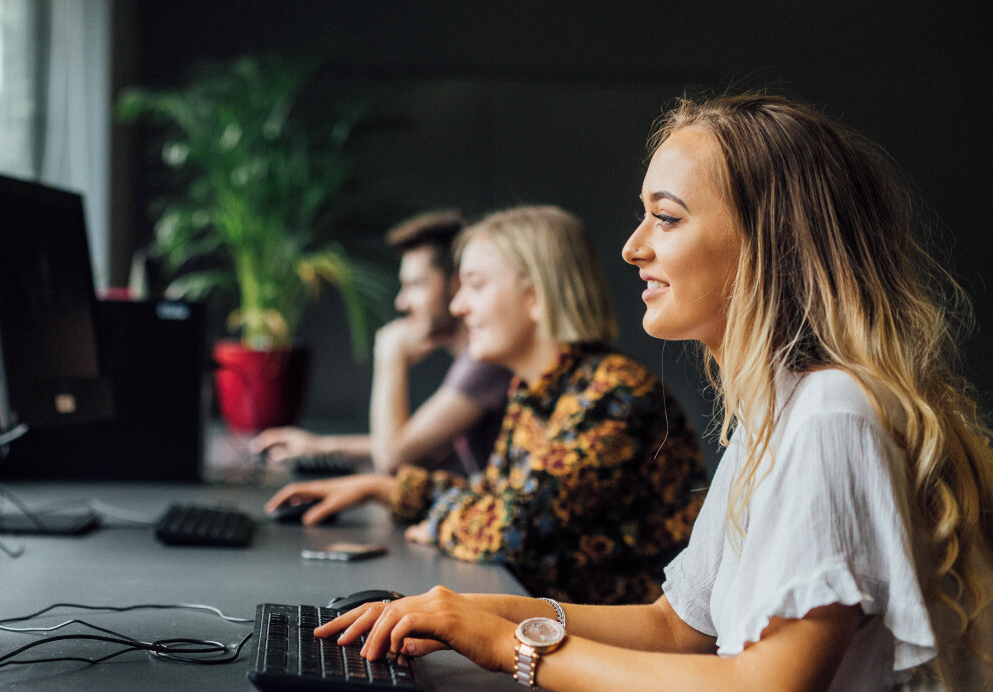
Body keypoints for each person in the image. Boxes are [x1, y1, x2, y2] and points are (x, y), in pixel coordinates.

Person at [316, 94, 993, 692]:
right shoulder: (775, 414)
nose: (633, 246)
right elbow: (678, 627)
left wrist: (516, 648)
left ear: (773, 242)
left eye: (666, 217)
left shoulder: (834, 412)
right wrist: (470, 613)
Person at [267, 205, 708, 606]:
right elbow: (495, 498)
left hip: (625, 655)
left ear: (535, 297)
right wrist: (382, 489)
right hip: (557, 628)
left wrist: (438, 522)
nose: (459, 307)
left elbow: (514, 530)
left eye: (474, 286)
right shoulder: (533, 389)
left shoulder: (615, 394)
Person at [252, 210, 512, 475]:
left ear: (456, 285)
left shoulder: (486, 362)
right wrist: (322, 446)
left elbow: (392, 457)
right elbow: (422, 446)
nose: (401, 302)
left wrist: (391, 357)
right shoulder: (474, 360)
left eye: (416, 285)